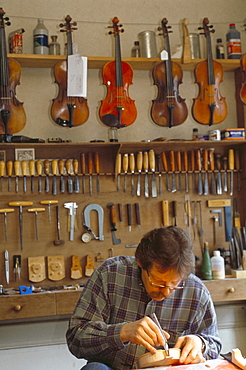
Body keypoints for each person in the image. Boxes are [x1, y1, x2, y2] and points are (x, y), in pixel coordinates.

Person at [66, 226, 221, 370]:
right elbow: (76, 339)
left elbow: (214, 344)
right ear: (140, 262)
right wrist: (122, 332)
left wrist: (200, 343)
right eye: (158, 282)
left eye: (174, 284)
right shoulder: (109, 274)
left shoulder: (196, 291)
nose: (167, 292)